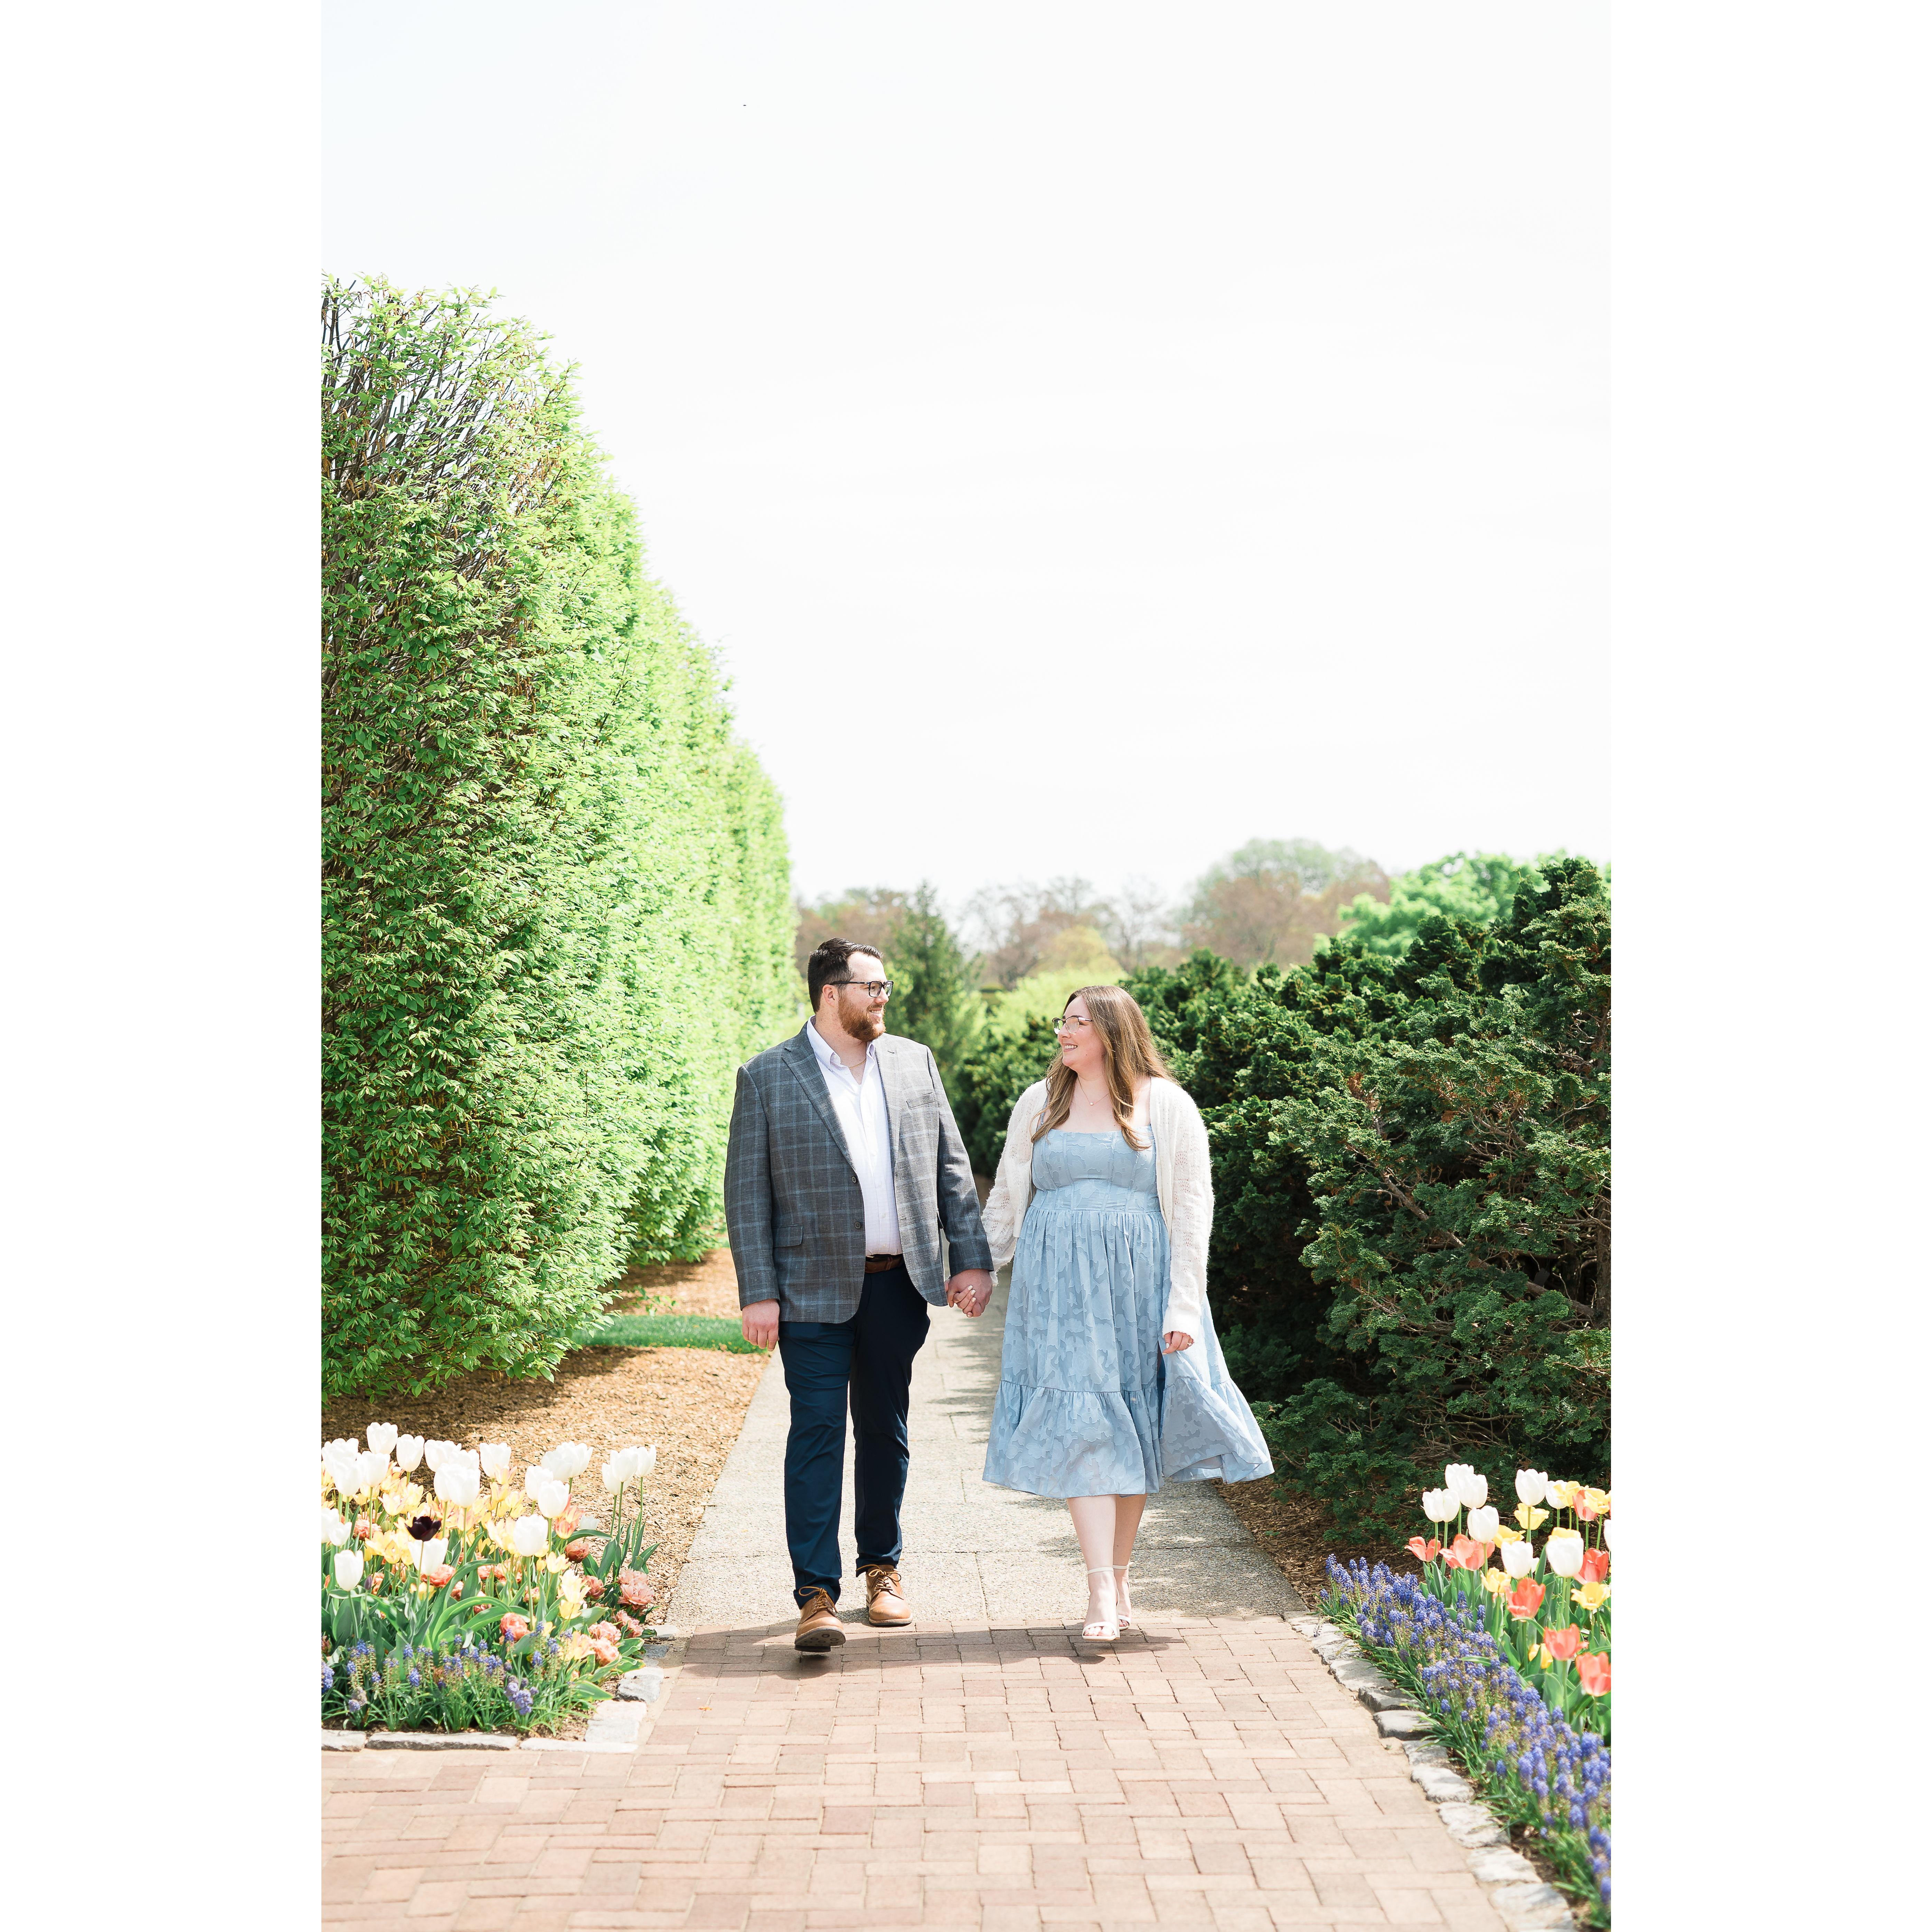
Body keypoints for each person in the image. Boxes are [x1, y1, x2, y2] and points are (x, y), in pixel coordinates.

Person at [978, 983, 1273, 1640]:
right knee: (1085, 1425)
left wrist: (1184, 1306)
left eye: (1077, 1022)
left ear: (1113, 1031)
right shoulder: (1039, 1100)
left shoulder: (1166, 1104)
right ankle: (1100, 1592)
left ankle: (1116, 1574)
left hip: (1137, 1285)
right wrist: (981, 1268)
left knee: (1127, 1426)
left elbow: (1192, 1208)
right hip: (1055, 1293)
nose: (1063, 1032)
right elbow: (1008, 1193)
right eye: (1062, 1021)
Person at [726, 936, 996, 1651]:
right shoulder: (767, 1076)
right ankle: (815, 1595)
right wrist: (758, 1292)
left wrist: (971, 1260)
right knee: (816, 1434)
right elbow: (746, 1194)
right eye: (871, 987)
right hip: (808, 1292)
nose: (883, 998)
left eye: (885, 987)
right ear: (830, 993)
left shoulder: (914, 1062)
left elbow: (951, 1169)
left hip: (897, 1286)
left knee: (885, 1430)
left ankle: (883, 1569)